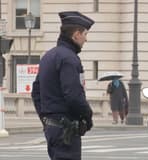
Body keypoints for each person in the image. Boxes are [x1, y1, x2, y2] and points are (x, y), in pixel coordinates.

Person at [31, 11, 94, 160]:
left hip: (53, 129)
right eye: (85, 34)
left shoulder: (48, 56)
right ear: (76, 34)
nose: (86, 39)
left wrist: (46, 119)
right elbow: (73, 95)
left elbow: (36, 92)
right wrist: (87, 116)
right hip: (67, 129)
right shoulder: (69, 59)